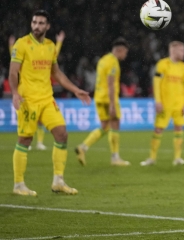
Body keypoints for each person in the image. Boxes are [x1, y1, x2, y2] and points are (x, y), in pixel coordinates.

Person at [9, 10, 91, 196]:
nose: (37, 26)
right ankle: (18, 184)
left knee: (61, 134)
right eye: (34, 22)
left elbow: (57, 74)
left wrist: (75, 89)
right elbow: (13, 72)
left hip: (47, 99)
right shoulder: (22, 44)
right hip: (28, 99)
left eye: (41, 23)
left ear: (47, 26)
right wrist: (14, 93)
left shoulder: (50, 46)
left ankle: (58, 181)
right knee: (25, 139)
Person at [75, 38, 130, 166]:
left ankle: (83, 147)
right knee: (115, 124)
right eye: (125, 52)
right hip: (108, 98)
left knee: (105, 126)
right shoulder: (113, 62)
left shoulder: (103, 60)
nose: (125, 55)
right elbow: (110, 84)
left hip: (99, 97)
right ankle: (115, 158)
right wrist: (112, 104)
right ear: (120, 50)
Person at [8, 31, 65, 150]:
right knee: (27, 120)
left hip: (42, 93)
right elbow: (14, 61)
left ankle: (39, 142)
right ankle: (25, 141)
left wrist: (59, 42)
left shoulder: (46, 57)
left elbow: (54, 54)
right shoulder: (24, 54)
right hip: (26, 93)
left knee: (39, 121)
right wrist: (11, 47)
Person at [140, 41, 184, 166]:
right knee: (158, 129)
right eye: (182, 50)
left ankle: (177, 158)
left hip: (179, 104)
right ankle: (152, 158)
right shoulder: (162, 64)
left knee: (179, 128)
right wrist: (158, 101)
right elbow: (156, 83)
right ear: (173, 51)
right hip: (165, 104)